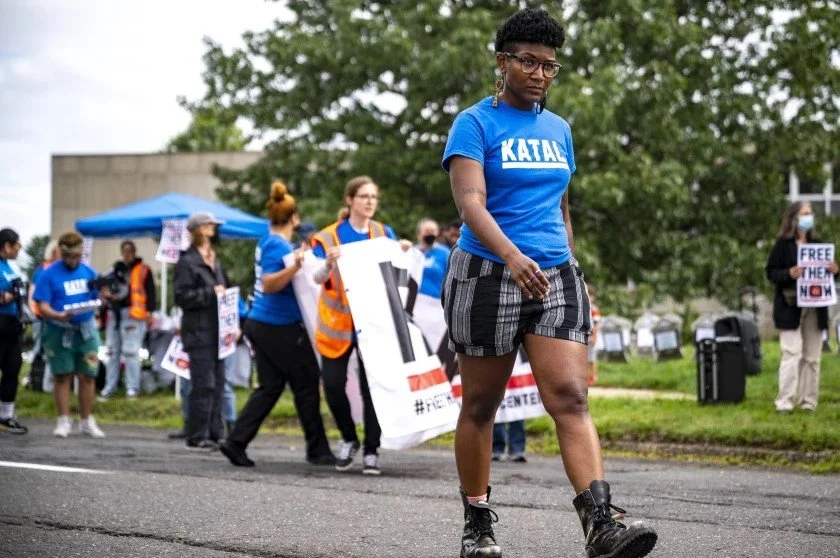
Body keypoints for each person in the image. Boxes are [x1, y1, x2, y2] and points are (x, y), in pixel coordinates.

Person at [441, 9, 657, 558]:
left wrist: (576, 274)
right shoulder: (475, 123)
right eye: (530, 62)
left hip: (555, 275)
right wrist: (511, 257)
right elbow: (470, 204)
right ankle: (478, 524)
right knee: (481, 406)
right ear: (503, 61)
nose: (540, 73)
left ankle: (601, 522)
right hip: (488, 274)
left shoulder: (559, 128)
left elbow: (561, 208)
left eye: (550, 66)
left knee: (571, 395)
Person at [220, 182, 336, 468]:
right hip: (278, 325)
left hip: (263, 323)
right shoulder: (277, 244)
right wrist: (295, 266)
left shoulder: (269, 241)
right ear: (294, 218)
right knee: (307, 383)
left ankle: (236, 441)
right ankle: (318, 449)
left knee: (271, 386)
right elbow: (270, 284)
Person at [310, 175, 399, 475]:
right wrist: (329, 263)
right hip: (337, 325)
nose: (370, 201)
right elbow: (315, 277)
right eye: (364, 196)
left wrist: (405, 251)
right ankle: (349, 438)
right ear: (349, 200)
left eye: (374, 196)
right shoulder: (327, 237)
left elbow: (396, 271)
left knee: (370, 387)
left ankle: (371, 450)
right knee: (333, 386)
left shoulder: (383, 233)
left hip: (372, 324)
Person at [766, 201, 837, 413]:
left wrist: (835, 270)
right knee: (791, 353)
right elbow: (771, 273)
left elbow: (826, 276)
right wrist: (789, 274)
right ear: (793, 218)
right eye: (804, 213)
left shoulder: (818, 244)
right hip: (790, 305)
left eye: (810, 213)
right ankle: (785, 402)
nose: (808, 217)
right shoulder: (782, 244)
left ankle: (808, 403)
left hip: (815, 307)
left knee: (812, 357)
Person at [33, 232, 106, 438]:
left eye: (75, 257)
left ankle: (86, 420)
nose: (71, 261)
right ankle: (64, 419)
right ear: (61, 254)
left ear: (81, 254)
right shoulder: (48, 274)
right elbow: (42, 304)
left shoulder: (89, 272)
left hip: (86, 330)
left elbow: (99, 295)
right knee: (62, 375)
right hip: (58, 330)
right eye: (67, 257)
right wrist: (56, 315)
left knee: (88, 375)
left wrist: (105, 295)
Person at [173, 212, 228, 450]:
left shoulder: (215, 259)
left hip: (219, 330)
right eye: (208, 225)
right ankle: (198, 434)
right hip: (198, 331)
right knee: (203, 383)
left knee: (218, 383)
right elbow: (181, 296)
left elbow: (225, 289)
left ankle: (215, 432)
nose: (213, 228)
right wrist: (209, 293)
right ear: (199, 229)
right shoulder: (187, 261)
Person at [99, 240, 156, 401]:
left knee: (131, 352)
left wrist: (150, 313)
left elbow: (150, 292)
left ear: (135, 252)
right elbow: (104, 287)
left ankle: (132, 388)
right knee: (112, 352)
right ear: (122, 252)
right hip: (115, 313)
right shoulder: (115, 270)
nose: (128, 254)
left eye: (130, 251)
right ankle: (110, 387)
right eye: (125, 251)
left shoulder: (143, 270)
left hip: (134, 314)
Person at [0, 228, 28, 434]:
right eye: (17, 245)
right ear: (7, 245)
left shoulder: (10, 266)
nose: (20, 249)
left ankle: (5, 416)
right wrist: (7, 295)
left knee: (12, 368)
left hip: (12, 324)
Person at [26, 239, 60, 393]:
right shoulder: (42, 269)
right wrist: (37, 313)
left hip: (54, 316)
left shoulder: (59, 269)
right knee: (39, 347)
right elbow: (33, 295)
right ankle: (31, 377)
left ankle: (46, 383)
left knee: (49, 350)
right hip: (41, 317)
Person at [415, 218, 451, 300]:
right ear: (419, 233)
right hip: (414, 299)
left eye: (433, 231)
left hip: (436, 301)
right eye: (427, 231)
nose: (430, 234)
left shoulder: (445, 253)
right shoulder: (413, 252)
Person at [587, 284, 601, 386]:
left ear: (593, 297)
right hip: (584, 336)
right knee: (585, 358)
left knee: (592, 358)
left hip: (591, 337)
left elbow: (596, 324)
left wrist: (594, 337)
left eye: (589, 295)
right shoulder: (584, 307)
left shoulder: (594, 309)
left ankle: (594, 376)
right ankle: (587, 376)